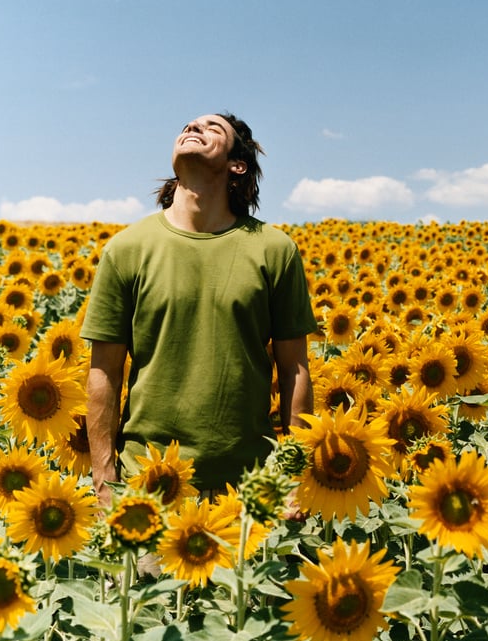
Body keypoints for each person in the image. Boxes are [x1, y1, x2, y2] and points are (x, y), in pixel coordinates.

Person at [82, 113, 316, 507]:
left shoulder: (273, 249)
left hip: (249, 485)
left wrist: (292, 476)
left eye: (211, 128)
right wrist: (104, 475)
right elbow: (104, 369)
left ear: (236, 165)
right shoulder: (127, 249)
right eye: (188, 126)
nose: (192, 128)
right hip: (148, 485)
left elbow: (294, 367)